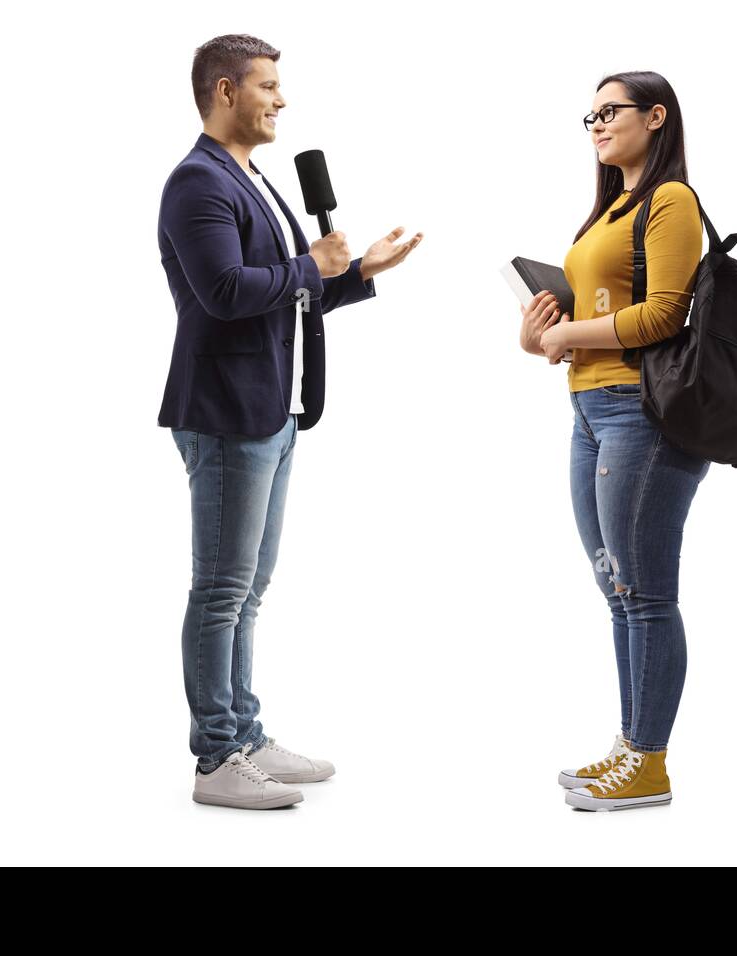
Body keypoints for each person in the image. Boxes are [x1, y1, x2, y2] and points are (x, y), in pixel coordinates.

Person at [157, 34, 422, 810]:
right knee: (220, 589)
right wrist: (317, 266)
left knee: (249, 587)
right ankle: (216, 760)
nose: (281, 100)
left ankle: (245, 733)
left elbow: (289, 291)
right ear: (226, 90)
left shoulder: (253, 178)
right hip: (224, 413)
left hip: (271, 411)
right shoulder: (196, 184)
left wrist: (359, 271)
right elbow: (228, 293)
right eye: (269, 87)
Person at [519, 71, 708, 811]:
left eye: (611, 110)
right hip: (589, 410)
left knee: (648, 593)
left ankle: (651, 764)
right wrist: (541, 336)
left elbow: (665, 314)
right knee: (619, 589)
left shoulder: (670, 200)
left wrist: (571, 332)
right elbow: (592, 315)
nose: (597, 124)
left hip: (643, 413)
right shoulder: (606, 213)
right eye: (589, 115)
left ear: (656, 117)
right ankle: (630, 747)